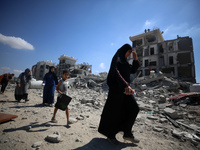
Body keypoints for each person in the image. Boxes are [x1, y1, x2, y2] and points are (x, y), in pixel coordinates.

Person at [98, 44, 140, 145]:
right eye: (129, 52)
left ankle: (127, 133)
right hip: (116, 90)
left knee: (134, 108)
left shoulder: (125, 62)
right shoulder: (117, 59)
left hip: (126, 90)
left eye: (131, 53)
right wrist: (125, 84)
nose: (129, 54)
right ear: (124, 50)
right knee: (114, 112)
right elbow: (116, 72)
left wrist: (135, 60)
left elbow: (132, 70)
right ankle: (111, 135)